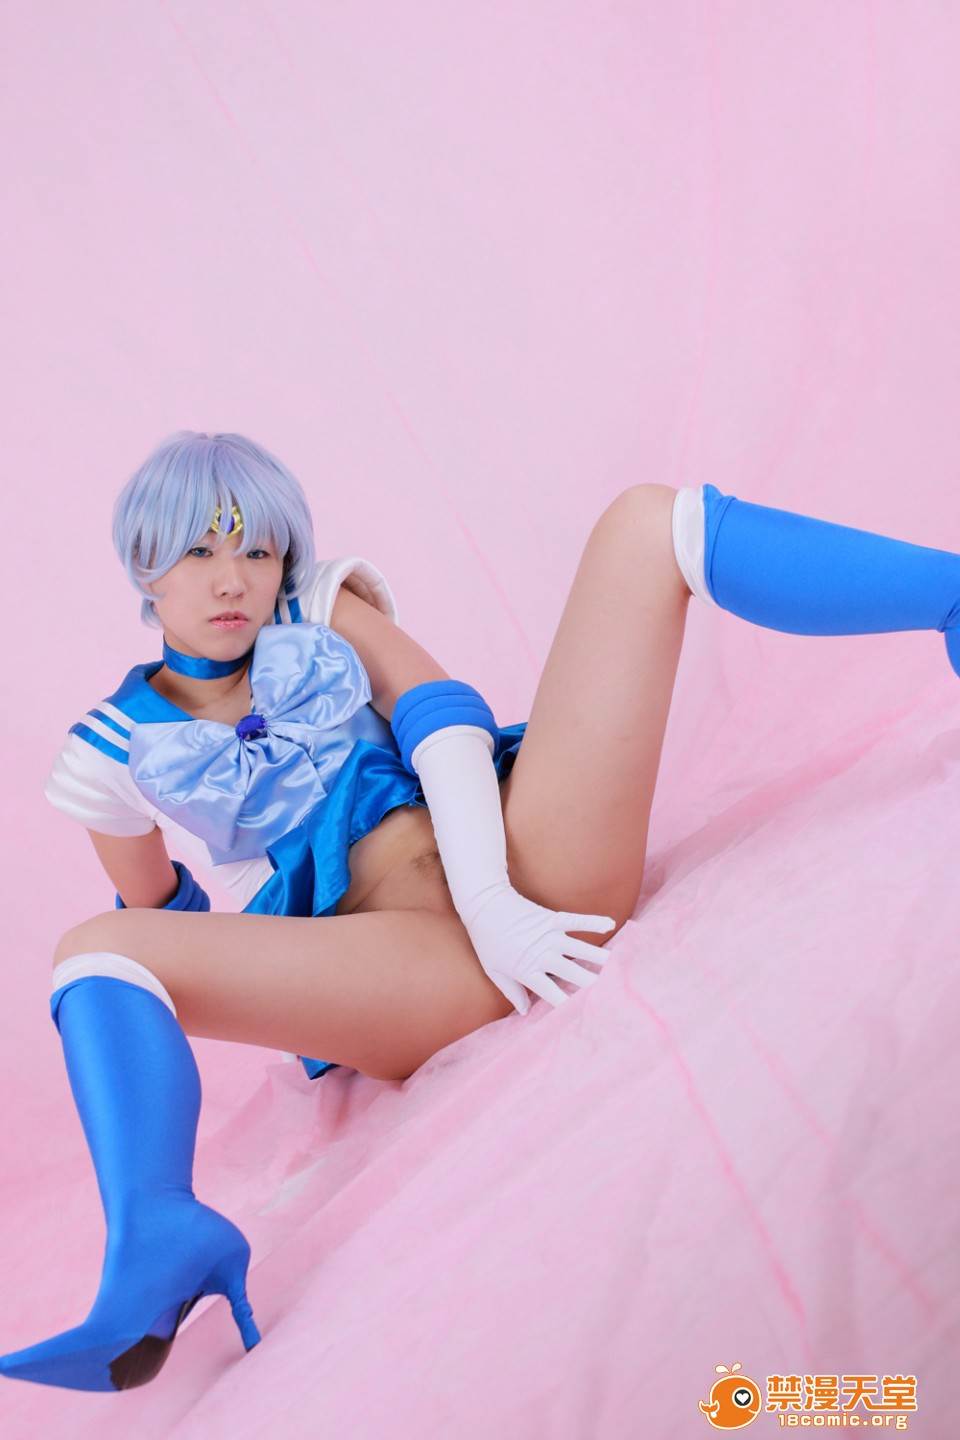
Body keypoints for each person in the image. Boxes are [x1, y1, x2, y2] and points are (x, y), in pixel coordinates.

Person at [3, 430, 959, 1392]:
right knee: (98, 949)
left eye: (256, 549)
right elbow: (163, 927)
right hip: (412, 974)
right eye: (199, 550)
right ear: (145, 566)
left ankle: (952, 596)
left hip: (529, 861)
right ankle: (159, 1237)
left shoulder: (319, 606)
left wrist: (494, 899)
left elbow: (440, 708)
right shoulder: (108, 750)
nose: (232, 579)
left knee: (644, 523)